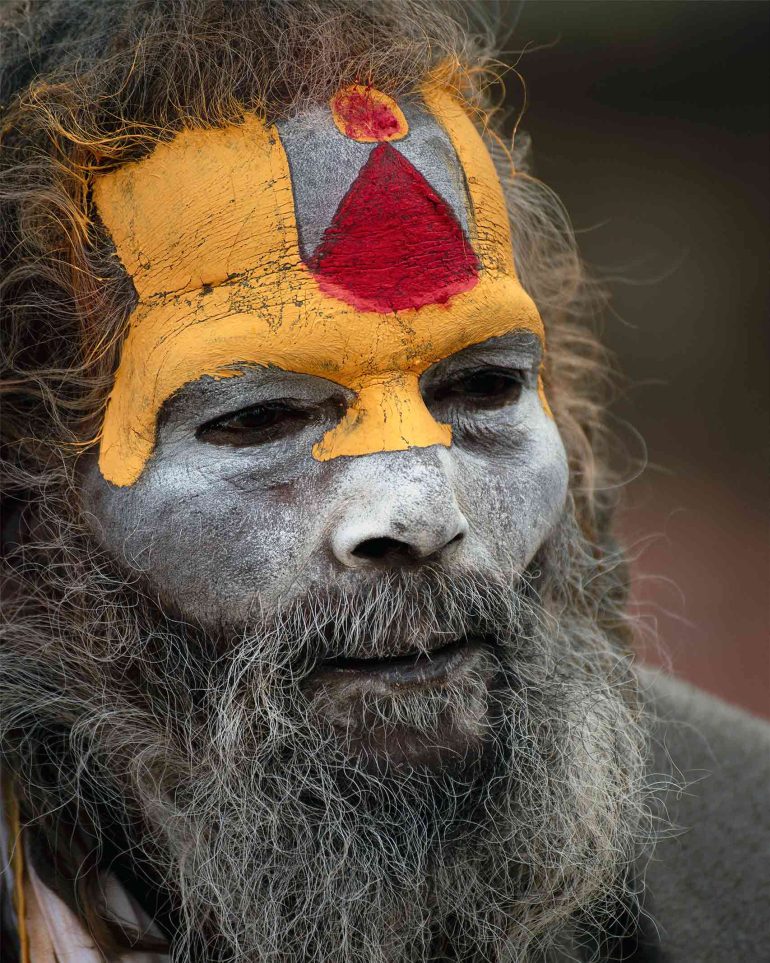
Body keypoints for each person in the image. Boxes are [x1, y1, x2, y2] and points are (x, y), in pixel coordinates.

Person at [1, 2, 767, 961]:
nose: (421, 510)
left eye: (481, 386)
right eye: (258, 418)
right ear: (30, 497)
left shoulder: (745, 866)